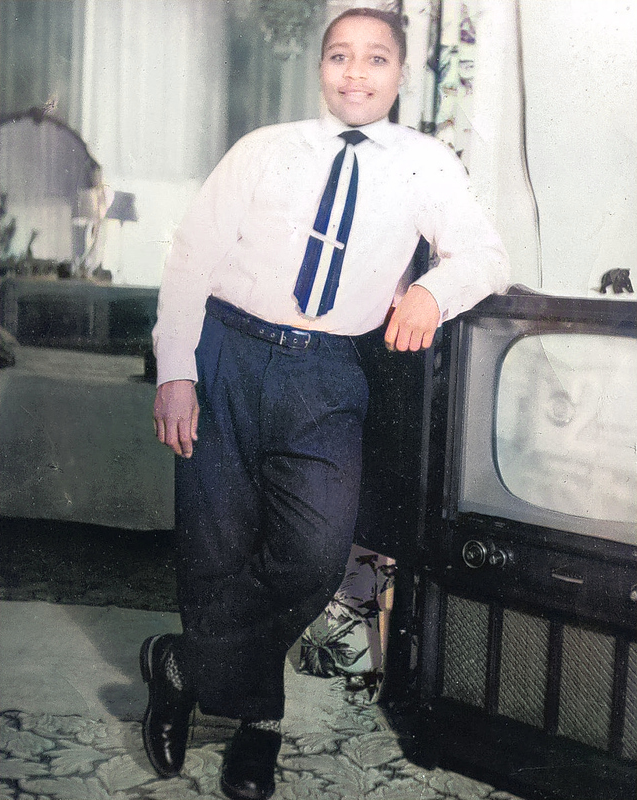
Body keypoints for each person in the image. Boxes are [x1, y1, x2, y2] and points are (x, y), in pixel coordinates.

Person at [141, 8, 510, 800]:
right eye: (339, 56)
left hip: (328, 374)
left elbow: (483, 252)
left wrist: (429, 291)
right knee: (215, 550)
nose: (355, 72)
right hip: (225, 353)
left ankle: (182, 664)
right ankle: (254, 727)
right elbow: (191, 255)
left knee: (312, 553)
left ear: (400, 74)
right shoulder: (264, 150)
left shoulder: (424, 161)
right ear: (320, 67)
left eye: (375, 59)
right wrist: (176, 370)